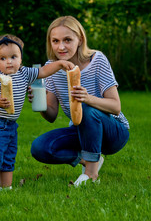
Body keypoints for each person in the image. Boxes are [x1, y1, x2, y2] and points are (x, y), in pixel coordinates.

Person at [28, 16, 130, 186]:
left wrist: (88, 98)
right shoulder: (50, 68)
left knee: (86, 108)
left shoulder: (97, 60)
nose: (61, 46)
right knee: (40, 147)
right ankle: (90, 160)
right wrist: (40, 103)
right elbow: (51, 115)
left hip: (114, 132)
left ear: (80, 39)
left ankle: (91, 175)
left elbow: (116, 107)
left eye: (67, 40)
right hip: (82, 131)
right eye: (55, 41)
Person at [0, 34, 75, 192]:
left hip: (11, 124)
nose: (9, 61)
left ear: (20, 60)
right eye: (3, 59)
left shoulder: (24, 73)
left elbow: (44, 71)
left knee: (9, 156)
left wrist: (59, 64)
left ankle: (6, 187)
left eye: (13, 57)